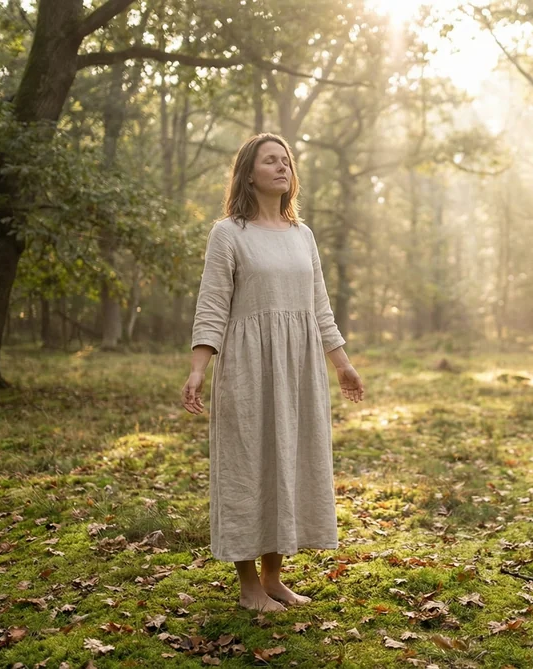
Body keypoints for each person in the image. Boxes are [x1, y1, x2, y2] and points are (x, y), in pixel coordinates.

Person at [182, 133, 365, 612]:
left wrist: (342, 364)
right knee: (247, 467)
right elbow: (212, 304)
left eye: (286, 160)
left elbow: (319, 306)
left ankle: (273, 579)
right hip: (247, 367)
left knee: (289, 462)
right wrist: (198, 368)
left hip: (299, 369)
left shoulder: (303, 235)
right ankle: (248, 588)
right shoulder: (228, 234)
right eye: (271, 160)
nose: (283, 167)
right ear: (248, 174)